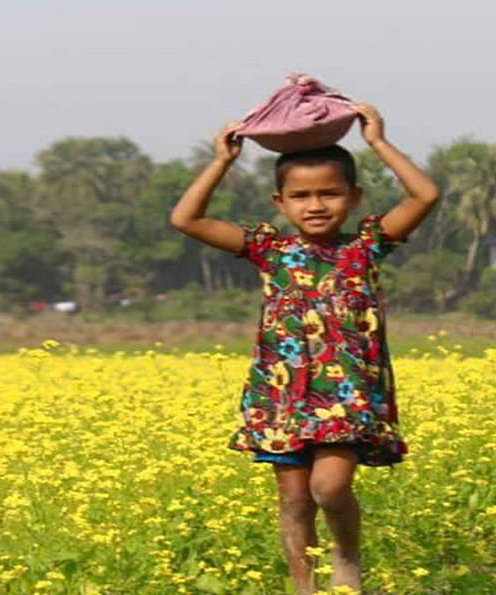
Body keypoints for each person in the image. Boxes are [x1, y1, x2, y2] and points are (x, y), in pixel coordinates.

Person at [169, 103, 439, 594]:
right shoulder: (270, 250)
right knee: (294, 499)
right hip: (282, 395)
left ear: (354, 197)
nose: (316, 205)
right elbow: (187, 218)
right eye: (301, 196)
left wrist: (377, 141)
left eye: (330, 193)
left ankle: (347, 557)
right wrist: (222, 161)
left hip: (346, 395)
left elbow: (425, 193)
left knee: (329, 487)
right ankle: (303, 587)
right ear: (280, 203)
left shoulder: (366, 246)